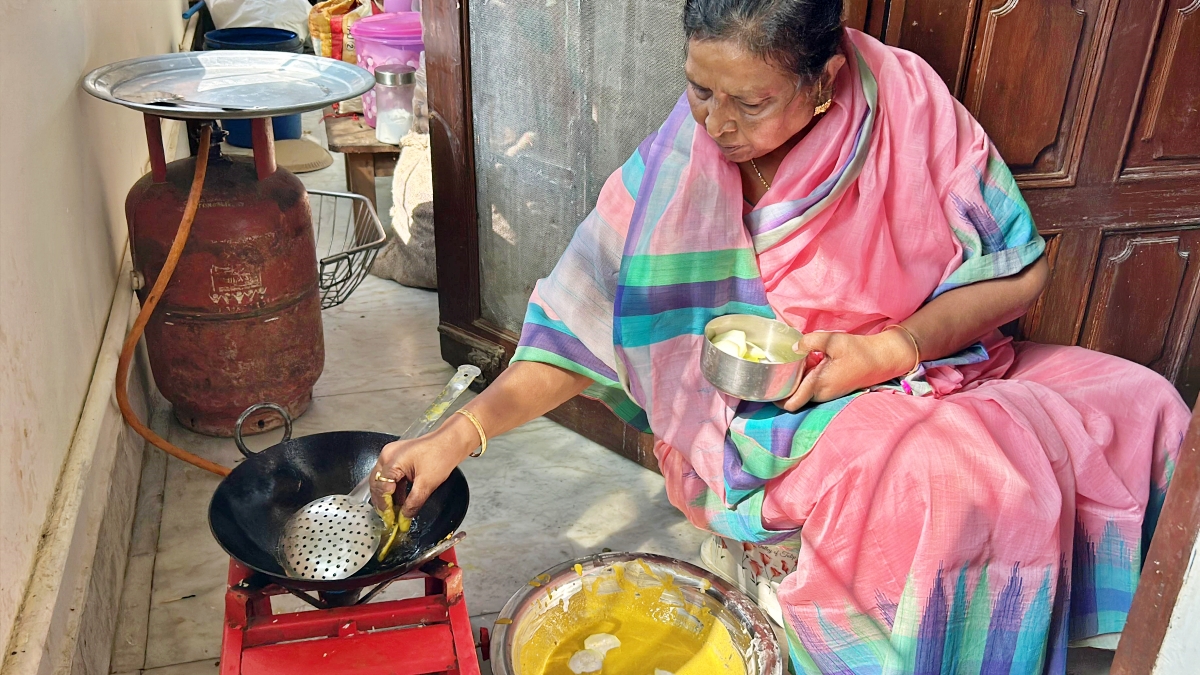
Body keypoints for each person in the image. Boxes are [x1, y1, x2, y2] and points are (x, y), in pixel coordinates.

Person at [370, 1, 1190, 671]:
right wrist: (457, 432)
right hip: (761, 420)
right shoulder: (677, 162)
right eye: (699, 89)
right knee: (934, 479)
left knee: (1143, 404)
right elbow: (579, 328)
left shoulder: (907, 108)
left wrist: (891, 348)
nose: (717, 125)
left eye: (750, 102)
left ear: (826, 80)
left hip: (920, 360)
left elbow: (1018, 271)